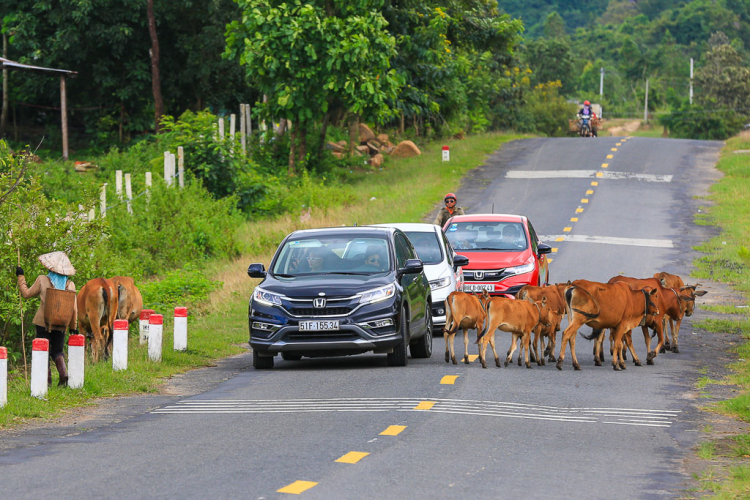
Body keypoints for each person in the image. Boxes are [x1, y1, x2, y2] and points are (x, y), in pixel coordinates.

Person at [16, 251, 78, 387]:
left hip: (42, 323)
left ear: (50, 267)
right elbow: (74, 309)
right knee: (57, 351)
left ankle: (47, 382)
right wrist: (73, 327)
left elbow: (26, 294)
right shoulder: (70, 285)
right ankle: (63, 374)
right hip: (61, 324)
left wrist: (21, 276)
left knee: (43, 352)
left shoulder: (42, 279)